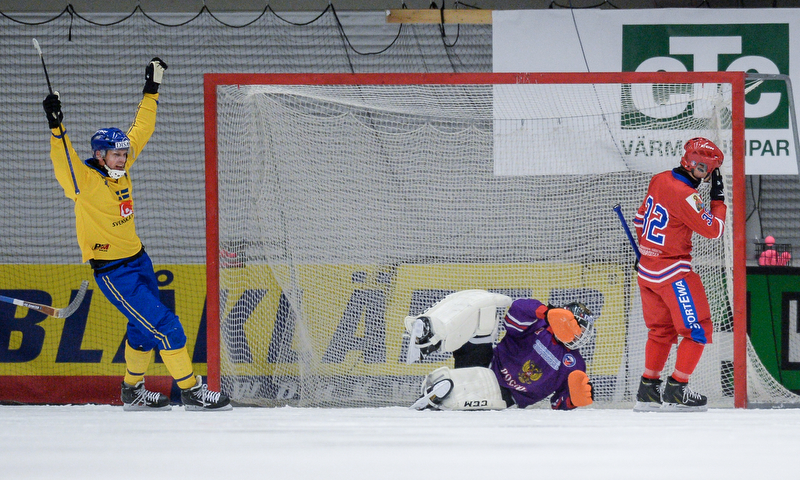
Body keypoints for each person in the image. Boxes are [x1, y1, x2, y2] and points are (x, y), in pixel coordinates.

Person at [42, 58, 231, 411]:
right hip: (114, 272)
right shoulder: (83, 182)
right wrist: (57, 127)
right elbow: (62, 159)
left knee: (142, 329)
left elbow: (141, 128)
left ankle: (132, 390)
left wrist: (151, 90)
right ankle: (191, 390)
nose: (123, 158)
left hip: (138, 259)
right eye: (116, 155)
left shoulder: (121, 168)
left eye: (124, 154)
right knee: (166, 325)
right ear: (99, 156)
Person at [632, 137, 726, 412]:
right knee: (698, 329)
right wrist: (717, 199)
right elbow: (714, 230)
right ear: (697, 167)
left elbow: (640, 221)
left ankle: (648, 391)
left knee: (660, 331)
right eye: (707, 170)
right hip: (673, 273)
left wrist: (650, 251)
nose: (708, 176)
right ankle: (677, 389)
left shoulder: (659, 179)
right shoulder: (686, 194)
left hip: (647, 272)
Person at [405, 290, 595, 411]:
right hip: (488, 361)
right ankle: (429, 332)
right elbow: (514, 315)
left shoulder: (575, 364)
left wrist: (572, 400)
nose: (581, 334)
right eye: (579, 327)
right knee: (485, 308)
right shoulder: (540, 323)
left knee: (474, 387)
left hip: (504, 394)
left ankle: (440, 394)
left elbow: (557, 403)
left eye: (584, 330)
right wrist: (546, 312)